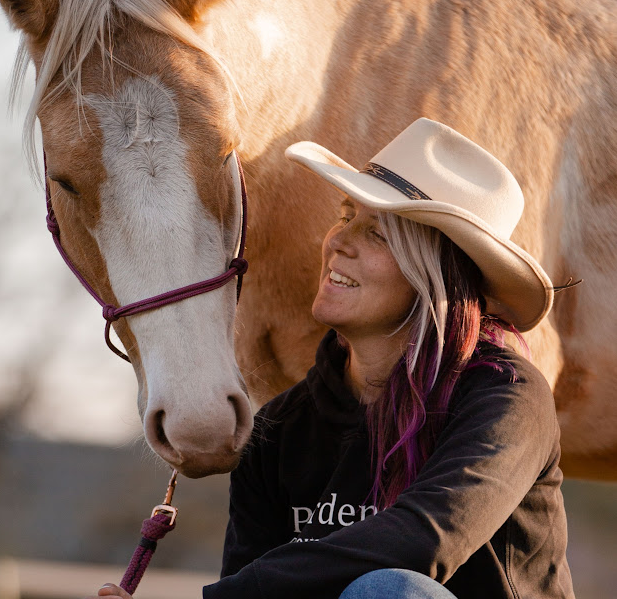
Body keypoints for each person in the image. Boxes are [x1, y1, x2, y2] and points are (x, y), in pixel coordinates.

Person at [93, 118, 575, 599]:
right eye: (346, 216)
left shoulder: (507, 397)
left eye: (379, 234)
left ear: (437, 275)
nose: (339, 241)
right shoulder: (282, 430)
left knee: (393, 591)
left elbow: (424, 540)